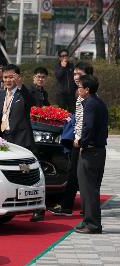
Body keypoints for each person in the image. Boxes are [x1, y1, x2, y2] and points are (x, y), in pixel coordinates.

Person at [0, 64, 44, 222]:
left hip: (22, 141)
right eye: (5, 77)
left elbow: (32, 102)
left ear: (18, 77)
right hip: (5, 139)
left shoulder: (23, 94)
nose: (8, 80)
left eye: (11, 77)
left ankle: (38, 208)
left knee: (30, 176)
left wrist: (21, 87)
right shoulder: (1, 94)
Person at [49, 62, 94, 216]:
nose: (75, 77)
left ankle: (75, 207)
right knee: (75, 173)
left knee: (79, 173)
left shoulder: (88, 95)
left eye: (79, 74)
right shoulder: (78, 92)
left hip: (83, 141)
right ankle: (72, 205)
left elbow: (86, 121)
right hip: (79, 139)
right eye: (74, 74)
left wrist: (80, 138)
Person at [75, 75, 108, 234]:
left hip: (92, 150)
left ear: (87, 90)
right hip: (97, 149)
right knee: (87, 187)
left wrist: (82, 142)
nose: (78, 89)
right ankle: (88, 220)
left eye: (80, 86)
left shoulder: (90, 104)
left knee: (89, 189)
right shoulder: (97, 102)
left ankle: (93, 224)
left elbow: (88, 127)